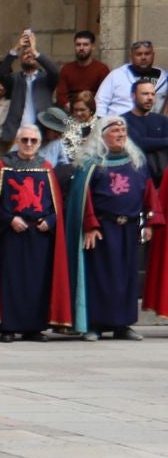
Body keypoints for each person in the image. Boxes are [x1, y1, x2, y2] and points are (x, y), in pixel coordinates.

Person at [0, 125, 70, 341]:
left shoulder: (46, 168)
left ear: (39, 143)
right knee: (11, 281)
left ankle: (34, 327)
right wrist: (10, 219)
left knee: (37, 282)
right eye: (25, 140)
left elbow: (56, 205)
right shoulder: (4, 166)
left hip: (39, 234)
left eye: (33, 141)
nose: (29, 144)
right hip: (12, 234)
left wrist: (50, 221)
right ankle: (8, 327)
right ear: (17, 141)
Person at [64, 117, 162, 341]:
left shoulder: (136, 161)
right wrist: (89, 225)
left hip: (128, 228)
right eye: (115, 130)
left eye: (123, 130)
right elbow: (82, 198)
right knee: (100, 278)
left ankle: (123, 325)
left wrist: (149, 221)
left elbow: (148, 191)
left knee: (126, 279)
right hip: (102, 230)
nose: (121, 134)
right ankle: (95, 324)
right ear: (102, 135)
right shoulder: (91, 164)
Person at [94, 39, 160, 117]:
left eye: (147, 54)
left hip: (153, 126)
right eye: (139, 54)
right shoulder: (117, 75)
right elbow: (100, 101)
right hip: (118, 125)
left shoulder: (163, 78)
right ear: (131, 56)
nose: (143, 57)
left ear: (153, 55)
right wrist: (102, 124)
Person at [56, 29, 110, 110]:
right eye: (78, 45)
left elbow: (105, 95)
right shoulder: (66, 69)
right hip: (70, 110)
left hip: (94, 111)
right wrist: (73, 109)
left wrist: (88, 110)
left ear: (93, 47)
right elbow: (61, 95)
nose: (81, 48)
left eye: (85, 45)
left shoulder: (102, 69)